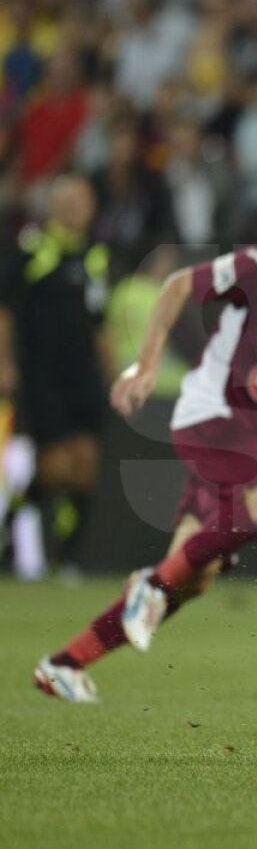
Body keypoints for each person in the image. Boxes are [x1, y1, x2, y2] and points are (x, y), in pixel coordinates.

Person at [33, 169, 257, 703]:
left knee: (193, 578)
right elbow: (179, 284)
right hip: (212, 412)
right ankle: (150, 587)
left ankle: (66, 662)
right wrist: (146, 365)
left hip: (256, 438)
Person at [0, 174, 111, 580]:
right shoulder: (33, 250)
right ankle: (11, 525)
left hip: (84, 372)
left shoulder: (94, 257)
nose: (74, 208)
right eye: (66, 200)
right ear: (51, 206)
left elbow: (101, 322)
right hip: (42, 371)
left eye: (81, 200)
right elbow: (4, 308)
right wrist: (5, 362)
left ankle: (69, 556)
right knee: (55, 468)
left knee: (85, 467)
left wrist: (117, 372)